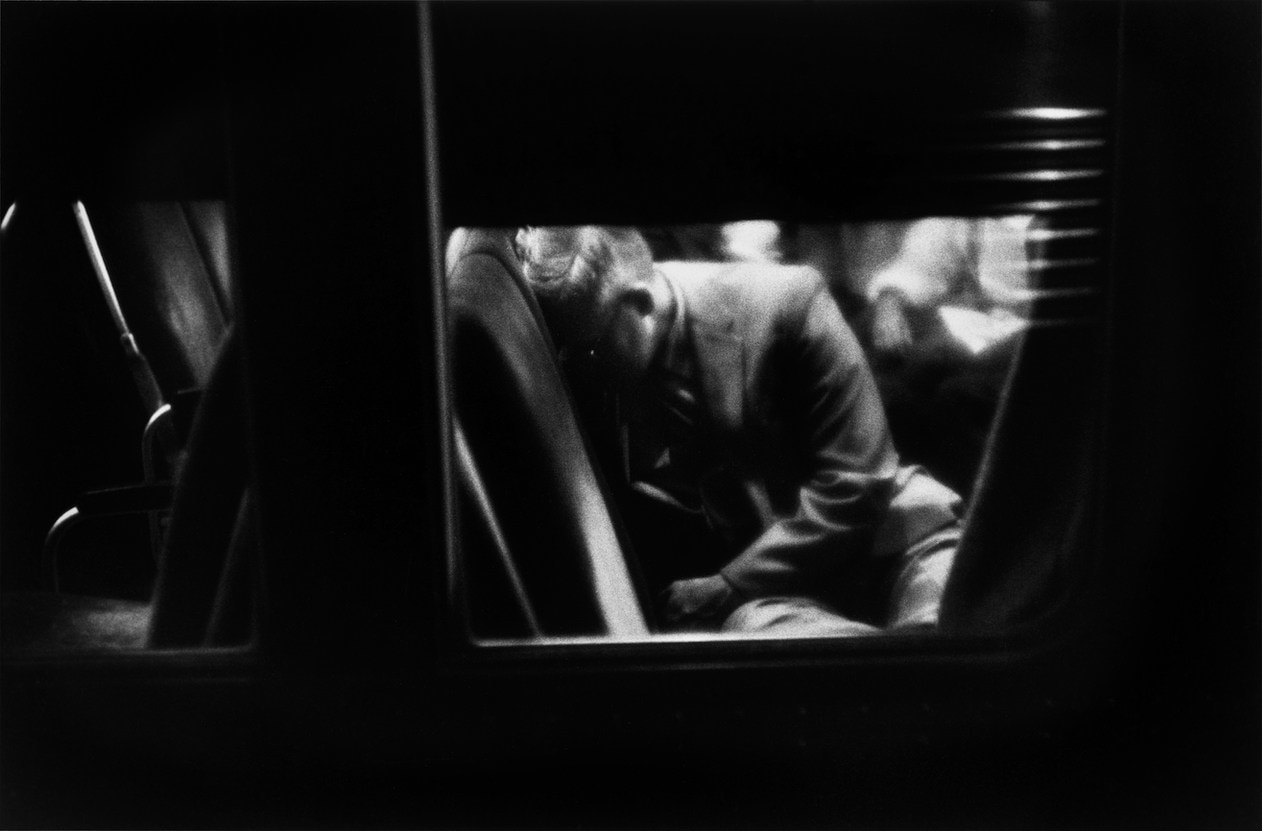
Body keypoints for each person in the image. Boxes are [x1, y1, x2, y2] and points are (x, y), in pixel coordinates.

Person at [515, 225, 962, 637]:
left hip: (899, 545)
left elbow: (858, 483)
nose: (580, 370)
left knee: (947, 631)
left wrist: (729, 585)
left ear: (642, 306)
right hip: (780, 600)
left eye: (591, 349)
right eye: (569, 354)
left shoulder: (787, 301)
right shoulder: (592, 357)